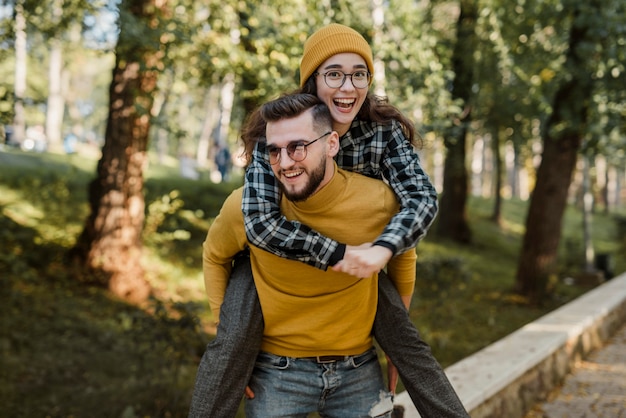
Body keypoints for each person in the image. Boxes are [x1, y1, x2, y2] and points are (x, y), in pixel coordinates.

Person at [189, 24, 469, 417]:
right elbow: (261, 225)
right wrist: (341, 253)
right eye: (334, 74)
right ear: (312, 81)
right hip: (279, 249)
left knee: (408, 345)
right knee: (230, 344)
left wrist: (383, 248)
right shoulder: (282, 132)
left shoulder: (381, 132)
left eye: (359, 74)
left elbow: (419, 199)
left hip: (362, 251)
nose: (348, 87)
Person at [203, 93, 415, 416]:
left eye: (297, 147)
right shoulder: (247, 207)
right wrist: (232, 349)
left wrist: (399, 343)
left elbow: (404, 257)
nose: (285, 163)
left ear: (331, 144)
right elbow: (214, 255)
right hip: (274, 375)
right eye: (275, 151)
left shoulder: (379, 202)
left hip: (359, 370)